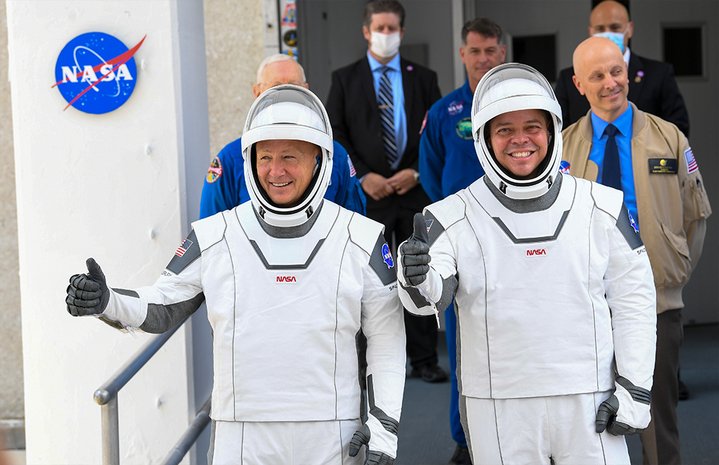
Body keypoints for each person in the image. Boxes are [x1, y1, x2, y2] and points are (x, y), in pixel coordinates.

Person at [65, 85, 406, 465]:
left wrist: (384, 424)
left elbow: (387, 337)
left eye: (290, 157)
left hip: (333, 432)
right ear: (249, 160)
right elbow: (162, 305)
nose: (276, 171)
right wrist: (107, 301)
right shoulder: (215, 235)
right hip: (241, 433)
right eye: (266, 157)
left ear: (320, 160)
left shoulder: (362, 237)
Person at [397, 62, 657, 464]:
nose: (521, 139)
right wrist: (415, 275)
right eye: (504, 129)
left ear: (552, 129)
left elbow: (634, 301)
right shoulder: (451, 216)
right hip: (499, 403)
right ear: (483, 137)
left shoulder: (602, 207)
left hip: (590, 397)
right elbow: (429, 297)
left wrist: (635, 390)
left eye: (532, 127)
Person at [562, 37, 711, 465]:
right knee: (587, 426)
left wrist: (674, 273)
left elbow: (694, 217)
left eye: (616, 71)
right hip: (585, 308)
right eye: (597, 76)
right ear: (578, 84)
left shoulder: (669, 139)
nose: (611, 83)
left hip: (656, 305)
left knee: (656, 422)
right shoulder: (564, 147)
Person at [326, 0, 445, 385]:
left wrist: (415, 171)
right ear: (366, 31)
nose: (386, 34)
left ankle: (425, 359)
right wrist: (362, 176)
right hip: (371, 196)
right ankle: (364, 365)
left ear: (402, 32)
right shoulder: (345, 78)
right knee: (370, 279)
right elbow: (336, 133)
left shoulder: (423, 78)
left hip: (413, 192)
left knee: (417, 272)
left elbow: (433, 132)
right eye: (380, 27)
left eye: (393, 28)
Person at [418, 17, 505, 465]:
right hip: (460, 244)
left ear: (502, 53)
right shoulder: (444, 113)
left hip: (515, 242)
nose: (483, 59)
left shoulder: (518, 109)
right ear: (462, 55)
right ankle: (465, 438)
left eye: (490, 50)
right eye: (475, 51)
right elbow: (432, 176)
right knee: (461, 340)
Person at [199, 54, 366, 219]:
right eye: (276, 86)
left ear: (306, 90)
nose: (286, 96)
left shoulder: (334, 154)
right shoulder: (230, 159)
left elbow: (355, 223)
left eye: (294, 87)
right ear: (257, 92)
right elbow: (211, 232)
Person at [554, 0, 690, 137]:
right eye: (600, 29)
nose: (608, 34)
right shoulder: (568, 78)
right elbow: (559, 132)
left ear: (629, 29)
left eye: (615, 27)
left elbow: (677, 129)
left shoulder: (659, 73)